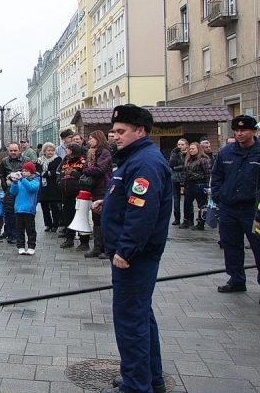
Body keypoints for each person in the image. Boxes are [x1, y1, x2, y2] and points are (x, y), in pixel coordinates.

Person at [98, 104, 172, 393]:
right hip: (137, 253)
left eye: (121, 131)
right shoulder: (136, 158)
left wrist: (125, 250)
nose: (114, 136)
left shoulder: (145, 162)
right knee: (140, 315)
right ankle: (151, 378)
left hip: (135, 257)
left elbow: (143, 212)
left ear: (140, 131)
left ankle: (136, 385)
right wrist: (109, 205)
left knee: (130, 321)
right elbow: (130, 199)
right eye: (113, 131)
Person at [209, 115, 260, 295]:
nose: (239, 133)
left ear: (253, 131)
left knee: (258, 245)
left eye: (243, 130)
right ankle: (236, 279)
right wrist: (218, 197)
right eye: (237, 130)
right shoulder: (226, 152)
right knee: (231, 245)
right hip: (229, 208)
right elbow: (217, 177)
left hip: (252, 211)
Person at [81, 130, 112, 258]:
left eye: (91, 138)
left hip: (103, 188)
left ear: (98, 139)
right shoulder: (91, 153)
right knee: (96, 219)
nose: (89, 141)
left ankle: (107, 248)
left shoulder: (104, 152)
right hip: (94, 189)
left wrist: (86, 169)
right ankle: (97, 247)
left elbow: (100, 169)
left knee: (103, 218)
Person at [57, 142, 87, 249]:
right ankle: (69, 238)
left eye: (68, 148)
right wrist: (60, 183)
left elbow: (86, 174)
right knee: (68, 216)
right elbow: (59, 172)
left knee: (81, 217)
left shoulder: (83, 161)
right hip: (66, 192)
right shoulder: (65, 160)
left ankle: (84, 241)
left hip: (78, 193)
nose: (66, 150)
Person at [0, 143, 26, 244]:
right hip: (9, 192)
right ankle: (11, 234)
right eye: (11, 151)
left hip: (21, 192)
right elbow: (1, 174)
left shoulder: (25, 161)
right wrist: (5, 186)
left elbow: (29, 174)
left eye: (15, 150)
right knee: (9, 214)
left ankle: (18, 235)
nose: (13, 153)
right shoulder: (5, 161)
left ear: (19, 150)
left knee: (19, 215)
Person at [9, 161, 39, 255]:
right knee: (19, 229)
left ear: (31, 171)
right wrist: (14, 182)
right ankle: (21, 246)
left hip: (29, 209)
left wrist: (22, 179)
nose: (24, 172)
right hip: (19, 209)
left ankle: (31, 246)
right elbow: (13, 192)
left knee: (30, 229)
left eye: (26, 171)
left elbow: (31, 188)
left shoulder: (35, 180)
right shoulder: (20, 181)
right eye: (23, 170)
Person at [180, 142, 211, 231]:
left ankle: (200, 223)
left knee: (201, 205)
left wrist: (209, 186)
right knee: (187, 203)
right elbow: (185, 173)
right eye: (190, 149)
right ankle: (186, 220)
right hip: (190, 184)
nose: (191, 150)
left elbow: (208, 174)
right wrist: (183, 184)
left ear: (198, 149)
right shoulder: (189, 160)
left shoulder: (203, 160)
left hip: (200, 184)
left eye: (193, 149)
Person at [36, 142, 62, 232]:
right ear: (44, 151)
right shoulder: (39, 160)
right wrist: (44, 173)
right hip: (43, 186)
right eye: (48, 150)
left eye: (52, 150)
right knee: (44, 206)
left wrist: (47, 173)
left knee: (54, 206)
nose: (50, 152)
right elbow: (38, 170)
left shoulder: (58, 160)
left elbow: (57, 171)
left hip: (54, 186)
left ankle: (55, 224)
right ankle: (48, 224)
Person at [168, 138, 189, 226]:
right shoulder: (175, 154)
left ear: (186, 145)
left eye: (182, 144)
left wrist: (176, 168)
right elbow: (171, 164)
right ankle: (177, 218)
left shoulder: (189, 153)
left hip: (186, 178)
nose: (180, 146)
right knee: (176, 199)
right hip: (175, 178)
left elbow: (186, 165)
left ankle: (188, 218)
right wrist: (174, 154)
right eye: (179, 145)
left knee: (188, 199)